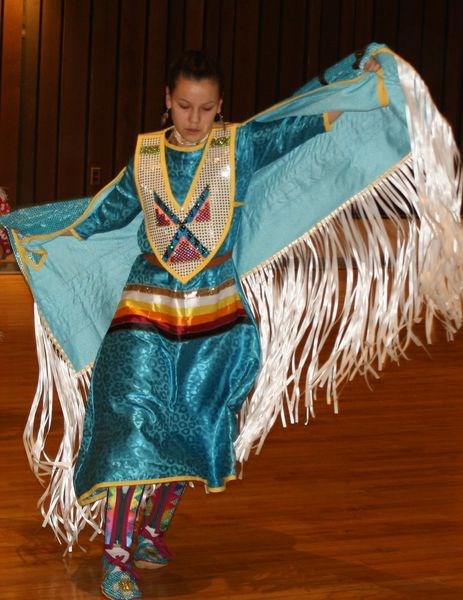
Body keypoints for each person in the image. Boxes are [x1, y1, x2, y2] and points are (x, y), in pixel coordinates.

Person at [2, 45, 462, 600]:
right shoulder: (145, 158)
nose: (193, 120)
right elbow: (103, 213)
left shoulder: (239, 146)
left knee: (191, 426)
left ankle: (150, 532)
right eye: (183, 106)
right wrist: (33, 230)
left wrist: (358, 84)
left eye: (205, 109)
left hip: (214, 321)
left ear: (220, 107)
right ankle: (116, 556)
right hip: (143, 314)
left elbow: (305, 123)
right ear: (166, 102)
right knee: (133, 429)